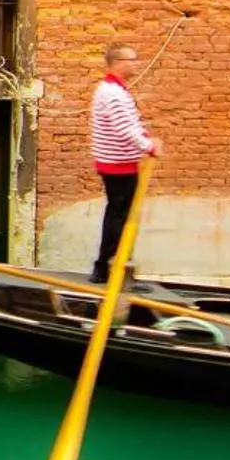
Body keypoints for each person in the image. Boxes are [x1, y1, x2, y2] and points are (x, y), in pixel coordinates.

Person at [90, 41, 161, 284]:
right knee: (119, 216)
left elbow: (132, 123)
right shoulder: (113, 93)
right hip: (117, 165)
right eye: (132, 59)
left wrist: (146, 138)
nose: (136, 63)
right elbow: (123, 128)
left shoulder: (117, 90)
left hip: (120, 162)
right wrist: (149, 146)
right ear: (118, 63)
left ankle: (113, 267)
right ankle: (106, 269)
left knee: (120, 214)